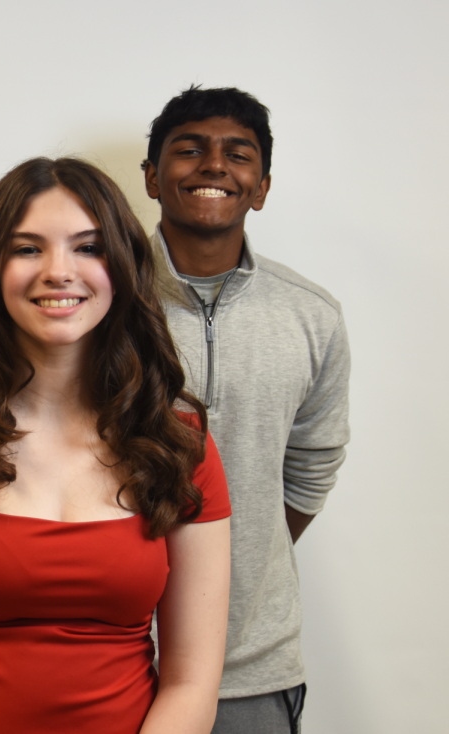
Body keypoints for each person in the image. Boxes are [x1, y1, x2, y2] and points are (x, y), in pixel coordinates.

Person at [0, 157, 232, 734]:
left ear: (124, 267)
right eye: (27, 249)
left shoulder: (178, 444)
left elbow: (193, 680)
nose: (59, 271)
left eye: (88, 247)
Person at [142, 86, 351, 734]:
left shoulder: (311, 315)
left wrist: (229, 562)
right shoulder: (93, 303)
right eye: (189, 150)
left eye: (238, 154)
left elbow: (312, 467)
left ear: (260, 186)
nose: (213, 166)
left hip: (254, 669)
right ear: (151, 177)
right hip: (111, 656)